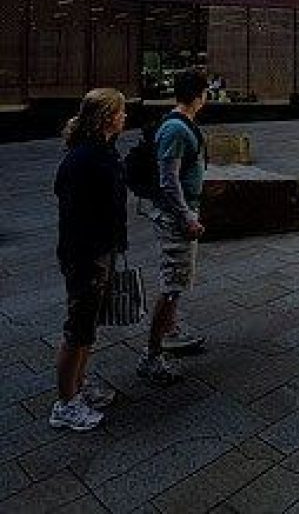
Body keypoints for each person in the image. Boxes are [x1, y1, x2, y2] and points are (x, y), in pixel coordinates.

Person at [51, 88, 128, 431]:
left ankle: (78, 388)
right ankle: (65, 404)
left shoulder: (103, 152)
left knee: (88, 327)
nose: (126, 116)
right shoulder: (84, 159)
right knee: (78, 328)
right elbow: (76, 212)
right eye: (121, 111)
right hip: (86, 254)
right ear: (107, 117)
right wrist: (90, 253)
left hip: (100, 249)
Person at [137, 67, 208, 384]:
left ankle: (171, 331)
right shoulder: (176, 130)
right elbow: (169, 181)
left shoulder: (181, 124)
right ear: (198, 95)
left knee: (175, 282)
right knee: (170, 286)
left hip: (181, 213)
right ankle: (152, 355)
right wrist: (186, 217)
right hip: (176, 218)